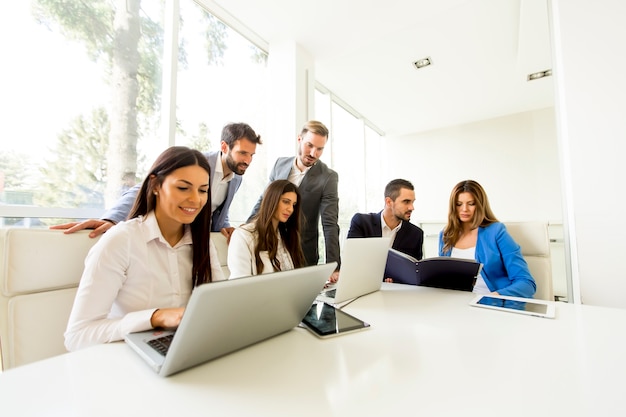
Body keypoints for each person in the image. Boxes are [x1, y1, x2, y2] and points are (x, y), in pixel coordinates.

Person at [64, 146, 226, 351]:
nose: (196, 199)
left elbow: (220, 307)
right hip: (126, 359)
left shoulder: (202, 242)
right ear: (156, 184)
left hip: (185, 350)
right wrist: (155, 317)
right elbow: (77, 336)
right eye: (183, 188)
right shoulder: (122, 241)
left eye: (203, 190)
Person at [51, 122, 262, 241]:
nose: (248, 161)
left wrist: (224, 226)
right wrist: (113, 219)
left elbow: (214, 208)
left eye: (252, 155)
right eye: (243, 153)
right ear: (224, 147)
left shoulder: (235, 178)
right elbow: (144, 188)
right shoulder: (197, 163)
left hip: (196, 240)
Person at [249, 120, 340, 282]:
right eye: (309, 145)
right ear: (299, 139)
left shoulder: (328, 177)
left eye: (320, 149)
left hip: (302, 251)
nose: (313, 153)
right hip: (270, 246)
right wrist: (246, 230)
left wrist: (334, 265)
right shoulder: (280, 164)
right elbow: (264, 200)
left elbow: (330, 223)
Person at [438, 180, 536, 298]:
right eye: (459, 204)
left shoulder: (496, 232)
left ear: (480, 205)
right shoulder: (446, 235)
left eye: (471, 203)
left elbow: (526, 283)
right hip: (456, 302)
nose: (464, 209)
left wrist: (495, 296)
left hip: (491, 302)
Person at [228, 180, 306, 279]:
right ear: (272, 200)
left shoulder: (285, 236)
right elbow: (239, 283)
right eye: (286, 202)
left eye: (294, 205)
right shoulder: (243, 235)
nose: (290, 209)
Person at [347, 179, 424, 260]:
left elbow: (415, 270)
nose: (412, 207)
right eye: (406, 202)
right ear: (389, 202)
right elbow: (352, 260)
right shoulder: (361, 223)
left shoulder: (416, 234)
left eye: (412, 202)